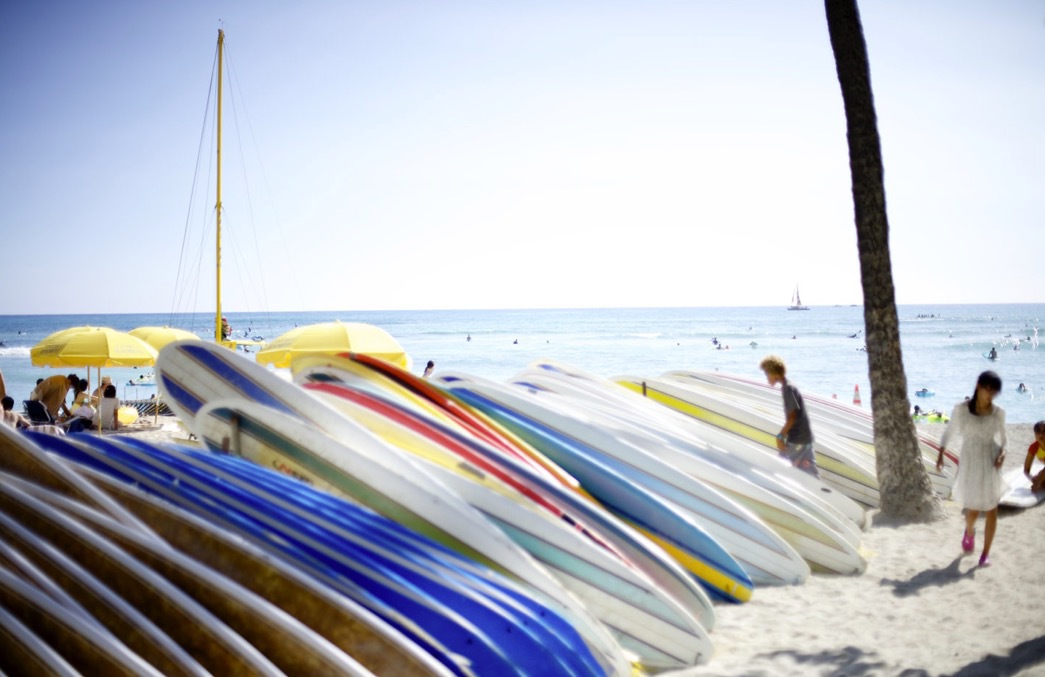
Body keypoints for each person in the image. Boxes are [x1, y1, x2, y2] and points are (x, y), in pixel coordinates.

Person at [935, 370, 1007, 567]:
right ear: (978, 386)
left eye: (994, 392)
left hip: (991, 460)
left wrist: (1002, 454)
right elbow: (949, 432)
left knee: (992, 508)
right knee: (973, 508)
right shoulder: (961, 410)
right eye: (987, 390)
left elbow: (1004, 441)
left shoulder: (998, 413)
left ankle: (985, 554)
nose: (990, 395)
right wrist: (941, 453)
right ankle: (969, 531)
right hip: (970, 461)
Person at [759, 355, 819, 478]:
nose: (766, 378)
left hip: (797, 439)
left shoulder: (788, 389)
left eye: (766, 374)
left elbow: (793, 416)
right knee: (810, 475)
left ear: (774, 373)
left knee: (779, 470)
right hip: (805, 438)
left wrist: (780, 437)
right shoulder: (790, 386)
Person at [1022, 421, 1045, 493]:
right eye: (1038, 431)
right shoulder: (1034, 447)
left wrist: (1039, 480)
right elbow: (1026, 470)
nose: (1041, 434)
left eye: (1044, 431)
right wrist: (1032, 479)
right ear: (1034, 433)